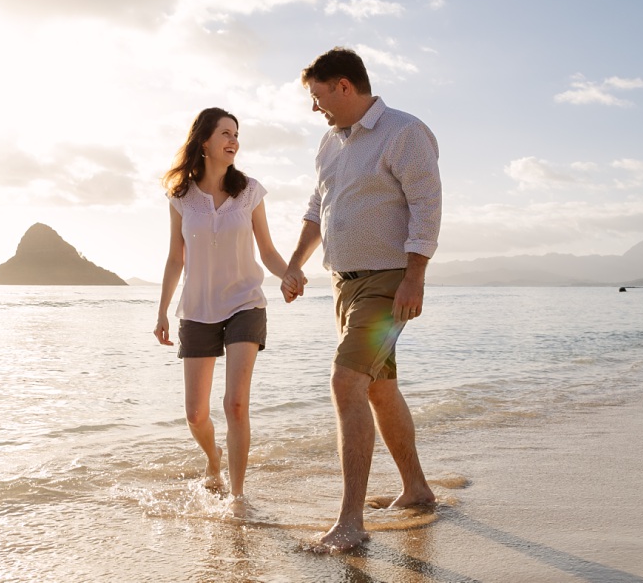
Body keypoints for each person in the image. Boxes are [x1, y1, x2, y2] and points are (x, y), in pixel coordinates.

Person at [280, 47, 441, 552]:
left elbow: (426, 204)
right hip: (344, 284)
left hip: (388, 280)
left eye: (318, 95)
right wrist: (295, 263)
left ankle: (350, 521)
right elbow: (317, 207)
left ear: (344, 86)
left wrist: (415, 276)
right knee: (377, 388)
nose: (315, 107)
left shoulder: (403, 131)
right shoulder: (330, 142)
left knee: (346, 380)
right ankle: (416, 489)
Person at [154, 107, 290, 499]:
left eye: (236, 135)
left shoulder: (249, 190)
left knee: (235, 404)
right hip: (197, 309)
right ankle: (213, 461)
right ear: (205, 141)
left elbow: (267, 250)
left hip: (245, 303)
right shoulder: (181, 197)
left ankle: (237, 497)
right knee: (195, 414)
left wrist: (289, 274)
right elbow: (175, 258)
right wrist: (162, 310)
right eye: (226, 134)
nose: (234, 141)